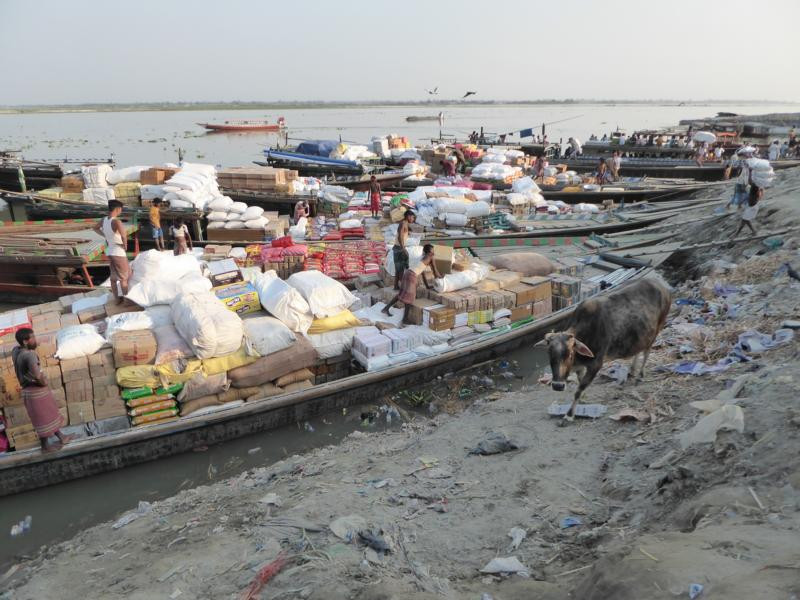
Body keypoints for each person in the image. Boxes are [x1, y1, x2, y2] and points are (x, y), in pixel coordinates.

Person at [12, 328, 72, 453]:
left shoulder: (16, 351)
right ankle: (45, 447)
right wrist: (44, 382)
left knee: (49, 415)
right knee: (43, 419)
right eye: (32, 338)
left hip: (29, 391)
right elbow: (37, 375)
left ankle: (61, 437)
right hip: (36, 392)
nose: (35, 340)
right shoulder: (30, 355)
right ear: (25, 341)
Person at [382, 244, 441, 324]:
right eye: (433, 251)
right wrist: (443, 279)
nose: (434, 252)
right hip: (411, 276)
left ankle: (386, 308)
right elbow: (435, 272)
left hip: (407, 274)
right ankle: (405, 319)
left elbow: (422, 273)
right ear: (429, 252)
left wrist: (427, 286)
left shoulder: (422, 258)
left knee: (402, 294)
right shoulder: (430, 257)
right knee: (409, 298)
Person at [94, 200, 129, 303]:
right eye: (121, 209)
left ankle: (117, 299)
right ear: (117, 209)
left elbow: (95, 228)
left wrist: (105, 235)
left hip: (110, 251)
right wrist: (125, 247)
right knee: (123, 278)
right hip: (118, 252)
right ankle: (127, 301)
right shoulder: (116, 221)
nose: (121, 211)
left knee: (113, 278)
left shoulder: (103, 220)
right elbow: (123, 235)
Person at [391, 210, 415, 289]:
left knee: (398, 269)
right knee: (401, 269)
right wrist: (403, 248)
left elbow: (405, 232)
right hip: (399, 248)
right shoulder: (403, 224)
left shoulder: (405, 223)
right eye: (412, 217)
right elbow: (400, 236)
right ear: (408, 216)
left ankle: (395, 286)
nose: (413, 219)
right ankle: (403, 288)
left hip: (397, 248)